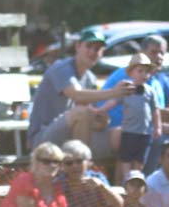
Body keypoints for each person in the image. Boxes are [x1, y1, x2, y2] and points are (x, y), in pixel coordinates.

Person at [28, 27, 134, 157]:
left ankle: (128, 174)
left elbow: (91, 117)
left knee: (121, 135)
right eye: (89, 46)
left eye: (97, 49)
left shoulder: (91, 78)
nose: (92, 52)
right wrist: (114, 92)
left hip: (72, 137)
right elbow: (76, 95)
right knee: (81, 113)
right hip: (42, 138)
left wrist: (102, 119)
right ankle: (82, 166)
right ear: (78, 46)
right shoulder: (61, 68)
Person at [112, 52, 163, 179]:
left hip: (144, 132)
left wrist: (158, 127)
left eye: (146, 72)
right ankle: (126, 181)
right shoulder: (127, 89)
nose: (143, 75)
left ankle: (137, 181)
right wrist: (100, 111)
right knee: (126, 158)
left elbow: (155, 110)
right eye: (140, 71)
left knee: (140, 160)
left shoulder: (150, 91)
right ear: (131, 73)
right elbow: (113, 101)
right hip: (129, 131)